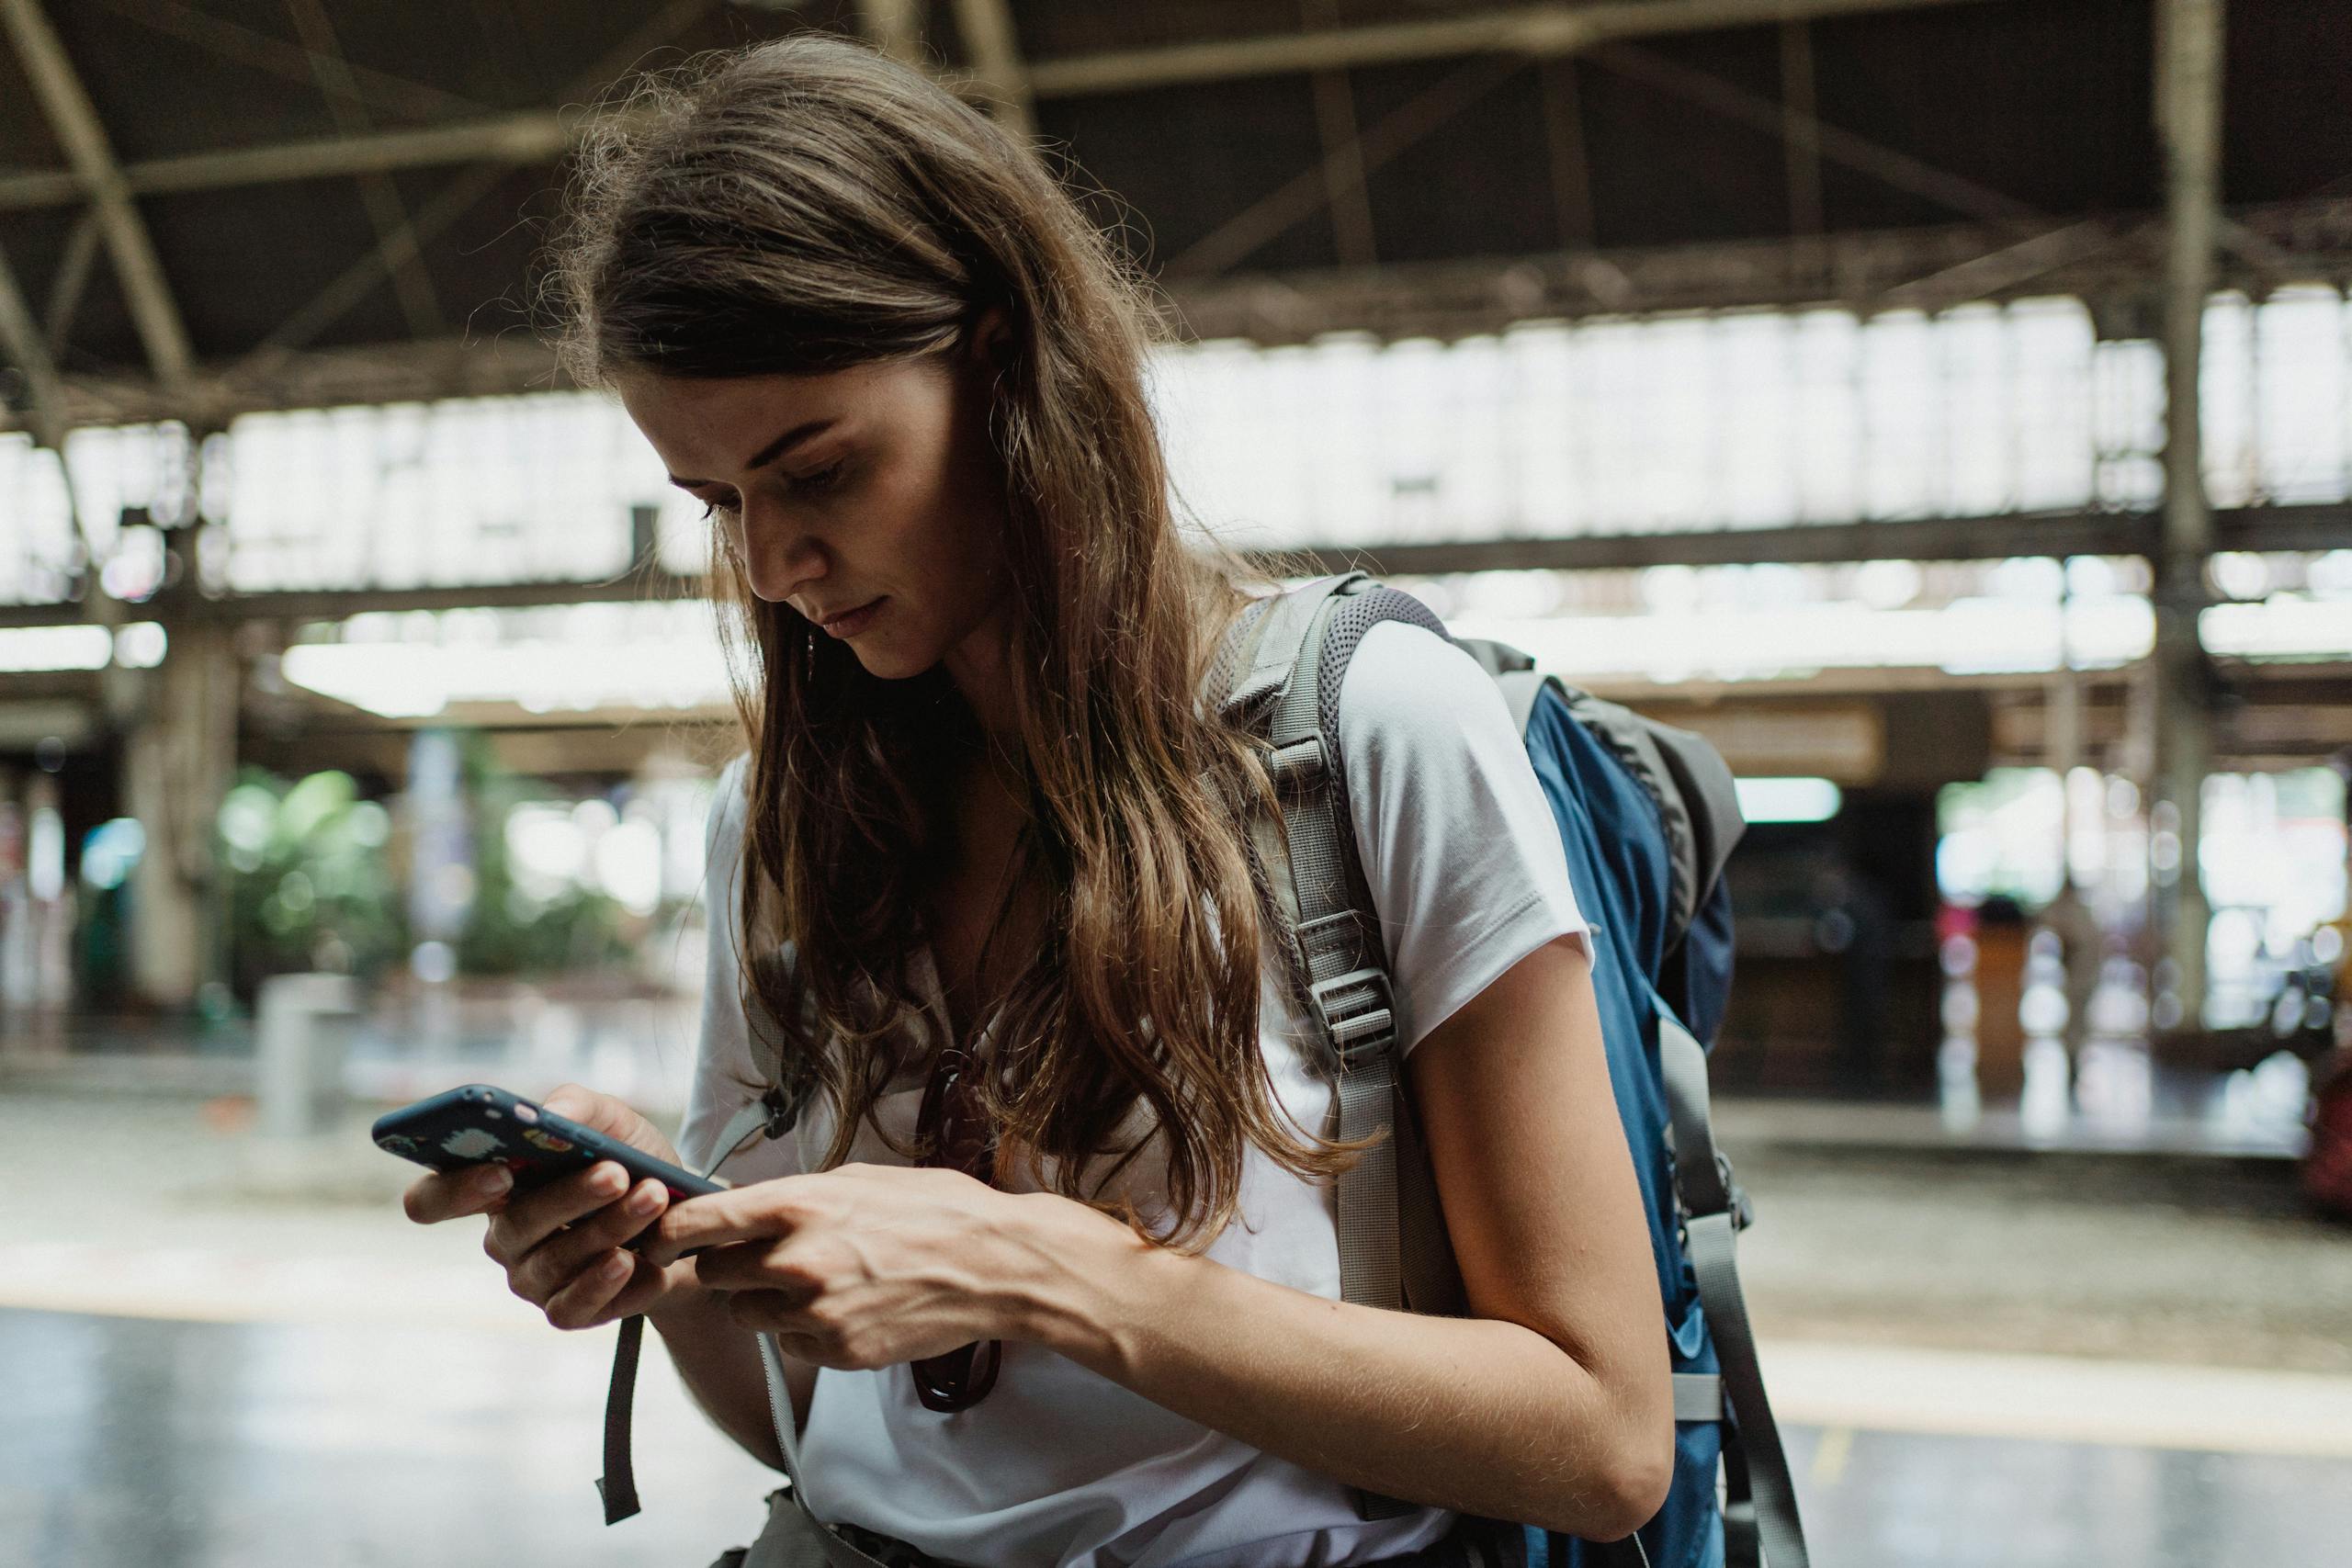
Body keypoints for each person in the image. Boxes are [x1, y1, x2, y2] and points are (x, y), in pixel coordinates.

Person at [399, 34, 1670, 1568]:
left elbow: (1603, 1444)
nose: (772, 568)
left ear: (1003, 362)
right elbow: (821, 1424)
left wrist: (1043, 1268)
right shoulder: (780, 825)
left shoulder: (1364, 737)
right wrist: (669, 1258)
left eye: (819, 470)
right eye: (717, 503)